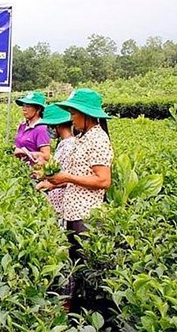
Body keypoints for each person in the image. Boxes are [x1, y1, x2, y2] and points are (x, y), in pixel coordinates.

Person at [38, 88, 113, 312]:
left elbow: (103, 180)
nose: (71, 118)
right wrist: (54, 183)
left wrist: (66, 177)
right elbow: (76, 174)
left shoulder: (98, 139)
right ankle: (77, 311)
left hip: (87, 214)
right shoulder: (82, 138)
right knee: (75, 266)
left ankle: (91, 313)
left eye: (73, 113)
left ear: (86, 114)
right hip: (73, 211)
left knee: (87, 268)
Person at [34, 104, 76, 221]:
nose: (48, 128)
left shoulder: (69, 146)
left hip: (63, 203)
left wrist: (51, 184)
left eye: (49, 125)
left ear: (57, 125)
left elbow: (70, 177)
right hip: (57, 201)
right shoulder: (62, 143)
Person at [12, 91, 51, 165]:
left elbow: (46, 156)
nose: (24, 109)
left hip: (32, 170)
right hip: (18, 167)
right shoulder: (22, 126)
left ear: (38, 109)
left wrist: (24, 152)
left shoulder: (41, 128)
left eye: (28, 106)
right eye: (23, 106)